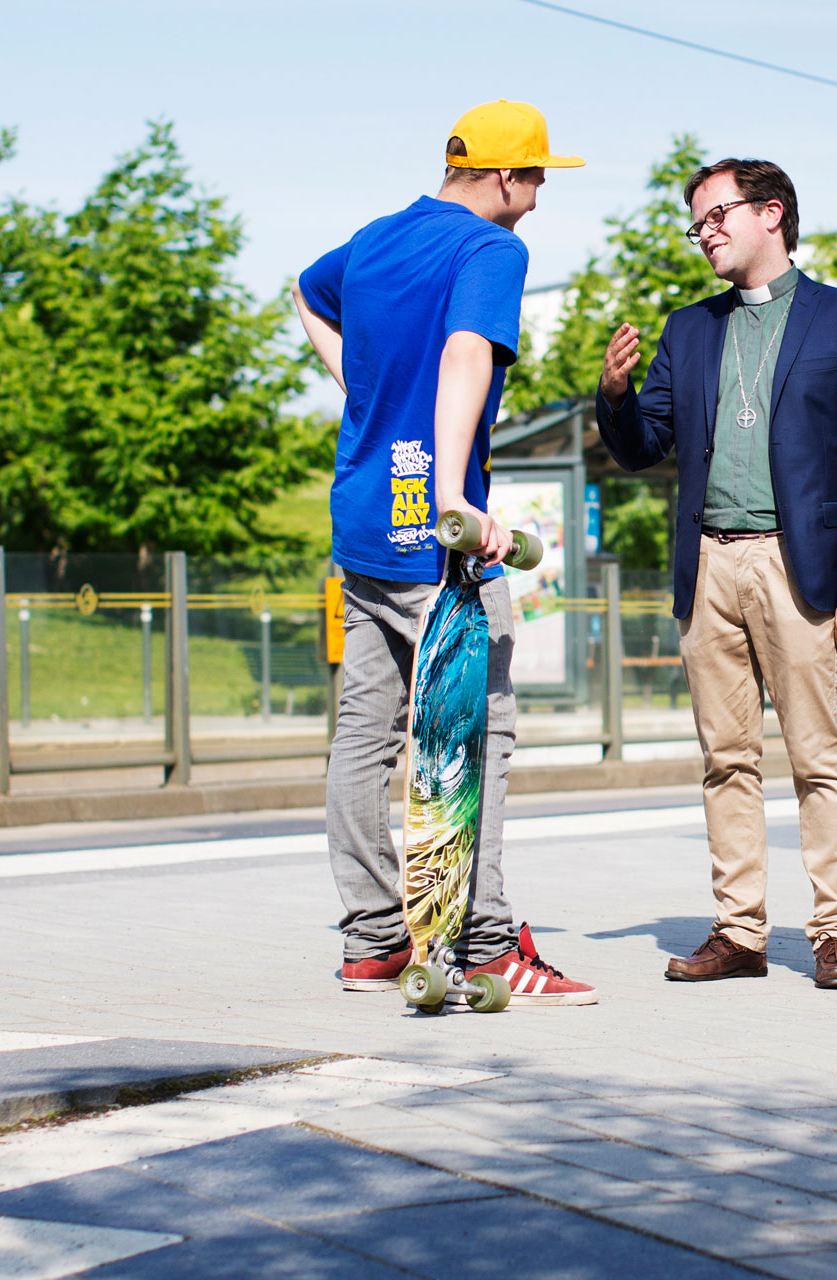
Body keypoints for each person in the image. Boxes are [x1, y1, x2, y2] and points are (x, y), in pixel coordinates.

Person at [293, 100, 595, 1006]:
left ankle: (374, 940)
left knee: (364, 734)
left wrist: (361, 389)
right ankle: (486, 944)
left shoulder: (378, 238)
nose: (539, 197)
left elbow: (307, 291)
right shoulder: (491, 250)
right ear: (504, 175)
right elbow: (467, 352)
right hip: (436, 535)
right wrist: (457, 493)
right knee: (475, 730)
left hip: (362, 520)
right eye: (536, 177)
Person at [596, 158, 837, 990]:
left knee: (816, 757)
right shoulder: (689, 330)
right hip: (708, 564)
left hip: (796, 567)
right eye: (698, 223)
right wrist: (615, 395)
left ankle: (834, 930)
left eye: (718, 216)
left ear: (772, 213)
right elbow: (641, 447)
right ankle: (739, 934)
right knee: (725, 758)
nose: (707, 233)